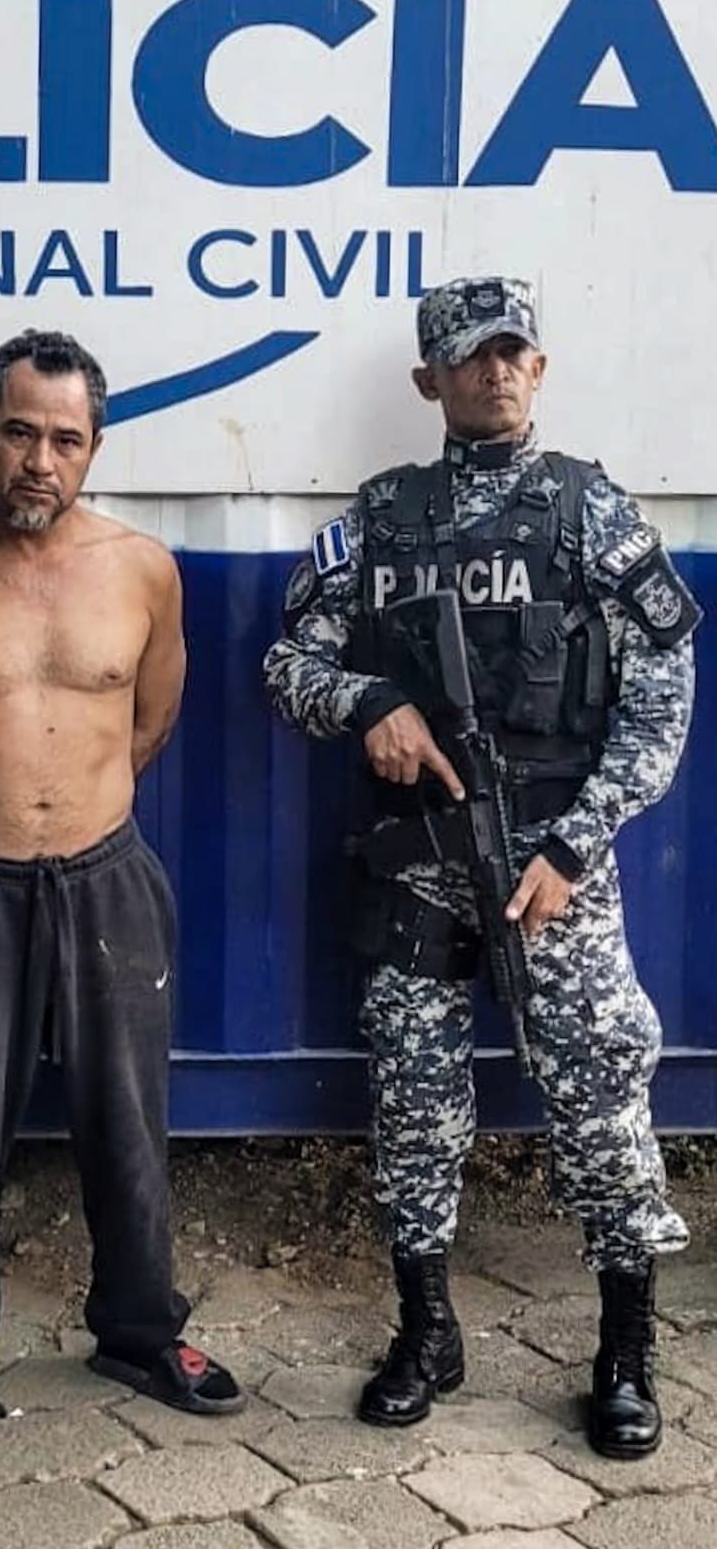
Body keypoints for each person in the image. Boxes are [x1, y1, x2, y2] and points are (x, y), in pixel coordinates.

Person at [263, 277, 699, 1460]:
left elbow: (659, 703)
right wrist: (369, 702)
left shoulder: (590, 511)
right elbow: (289, 662)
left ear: (538, 368)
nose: (495, 370)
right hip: (416, 864)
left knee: (600, 1094)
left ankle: (626, 1350)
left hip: (553, 869)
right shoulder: (380, 517)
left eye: (513, 352)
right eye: (470, 356)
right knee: (413, 1099)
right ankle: (426, 1332)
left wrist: (574, 843)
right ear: (430, 380)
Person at [0, 328, 244, 1486]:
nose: (41, 459)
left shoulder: (142, 569)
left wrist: (71, 813)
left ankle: (137, 1330)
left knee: (126, 1119)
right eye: (20, 431)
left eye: (66, 439)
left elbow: (152, 717)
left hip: (105, 877)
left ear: (94, 447)